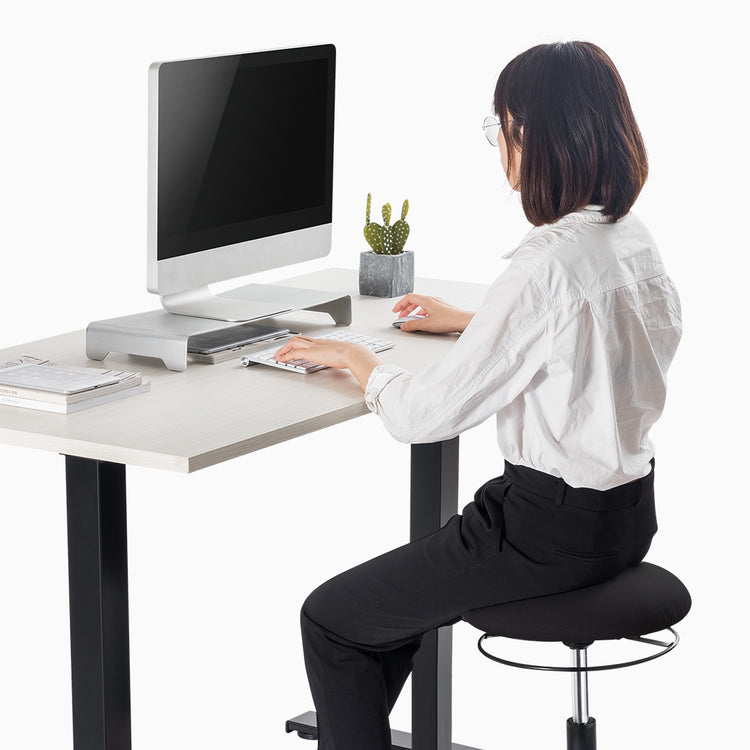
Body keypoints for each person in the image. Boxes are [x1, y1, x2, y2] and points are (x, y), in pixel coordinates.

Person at [273, 40, 682, 750]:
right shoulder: (630, 238)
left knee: (334, 622)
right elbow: (614, 339)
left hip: (542, 535)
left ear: (538, 138)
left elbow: (424, 417)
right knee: (386, 615)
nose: (501, 149)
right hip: (627, 516)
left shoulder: (543, 269)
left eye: (505, 129)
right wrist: (479, 323)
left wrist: (359, 360)